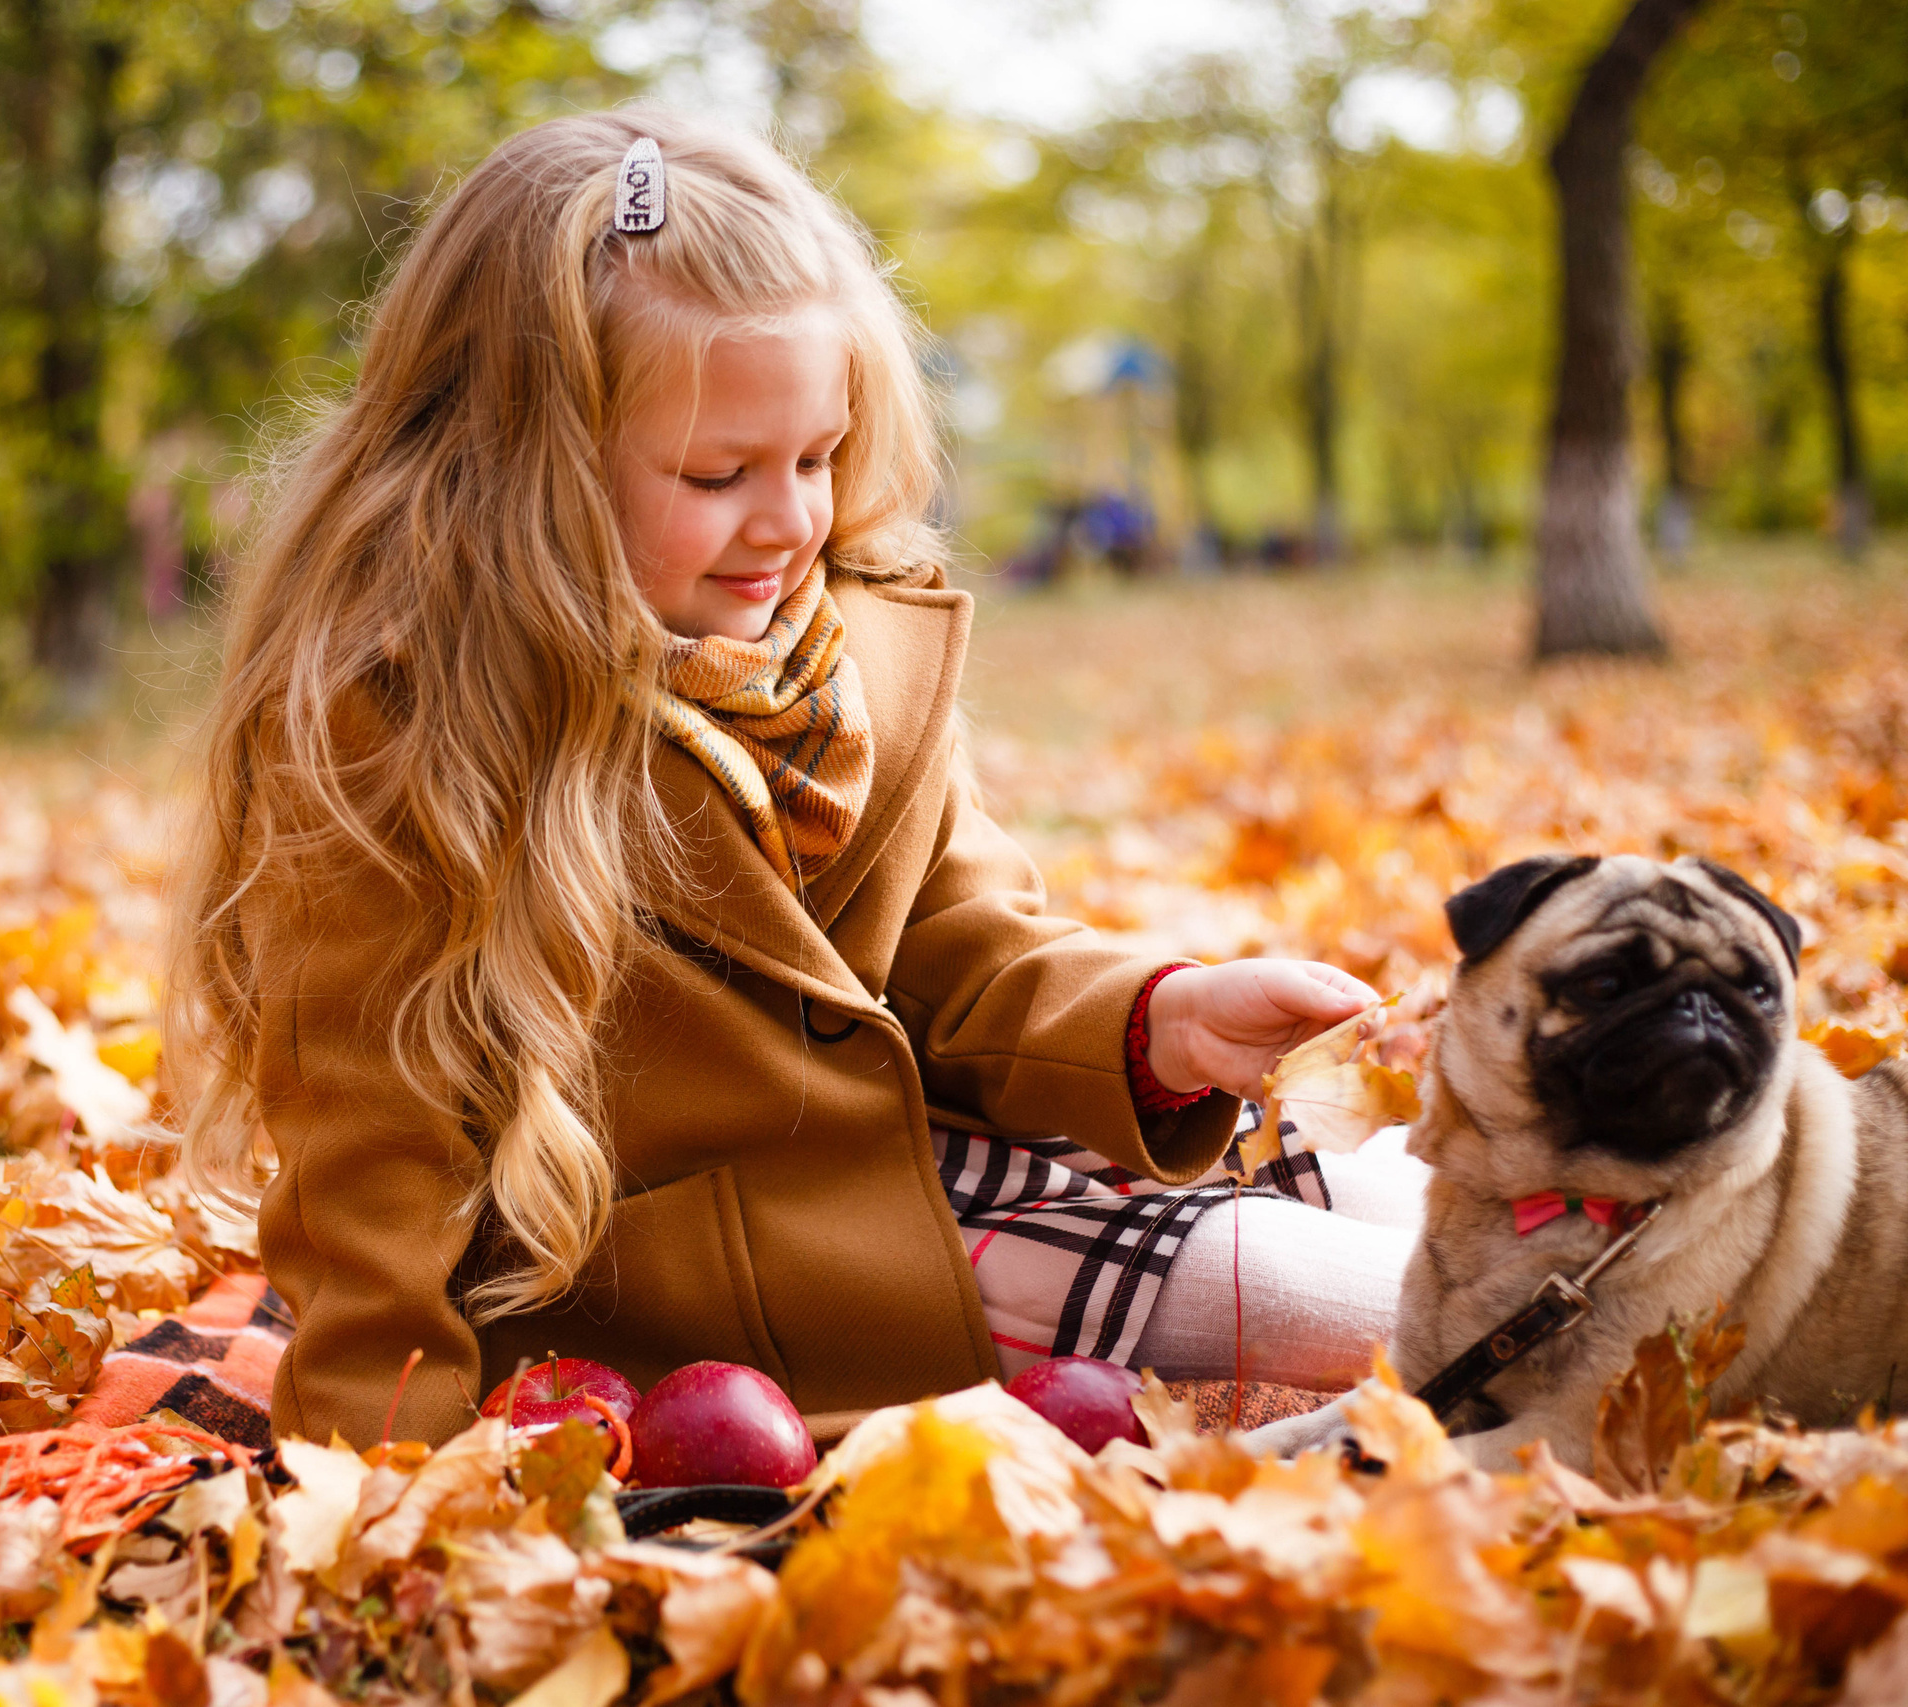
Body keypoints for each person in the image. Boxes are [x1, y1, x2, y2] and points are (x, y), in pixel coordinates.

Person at [164, 111, 1426, 1450]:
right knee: (1341, 1294)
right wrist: (385, 1479)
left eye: (818, 457)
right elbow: (375, 1151)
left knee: (1399, 1193)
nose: (791, 520)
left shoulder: (848, 646)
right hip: (725, 1278)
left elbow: (967, 946)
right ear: (523, 467)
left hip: (949, 1154)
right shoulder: (412, 727)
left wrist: (1158, 1024)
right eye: (720, 475)